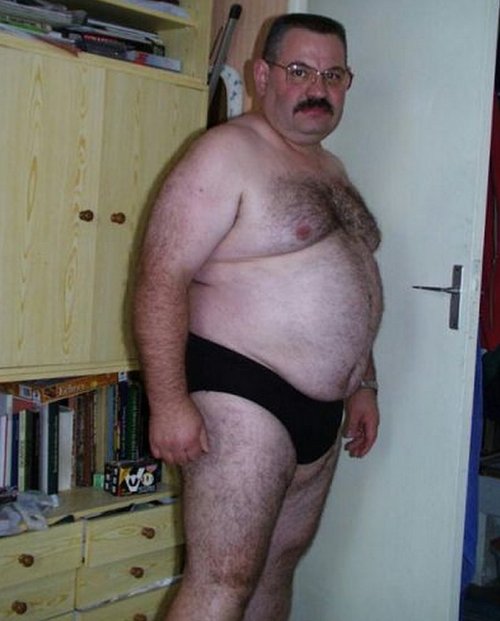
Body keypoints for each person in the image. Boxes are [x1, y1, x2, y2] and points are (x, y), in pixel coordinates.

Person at [133, 12, 383, 621]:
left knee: (276, 566)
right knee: (222, 580)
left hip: (321, 408)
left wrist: (364, 382)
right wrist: (168, 403)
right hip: (243, 393)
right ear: (262, 75)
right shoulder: (225, 154)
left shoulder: (331, 170)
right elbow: (160, 279)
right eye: (299, 71)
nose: (318, 88)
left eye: (333, 75)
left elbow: (352, 286)